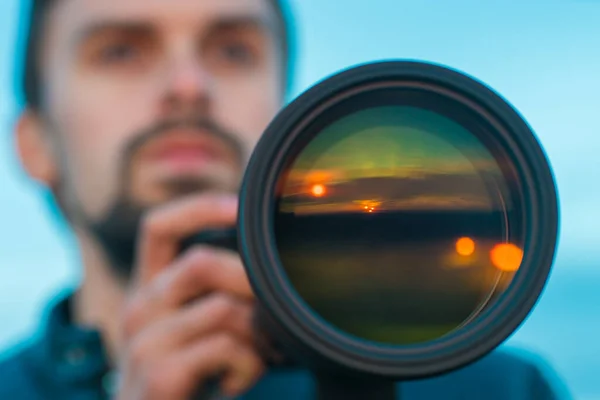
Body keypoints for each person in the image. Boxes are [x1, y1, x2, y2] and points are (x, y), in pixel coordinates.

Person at [0, 0, 572, 399]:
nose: (190, 85)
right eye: (120, 51)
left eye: (233, 51)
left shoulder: (501, 390)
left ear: (286, 110)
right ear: (35, 144)